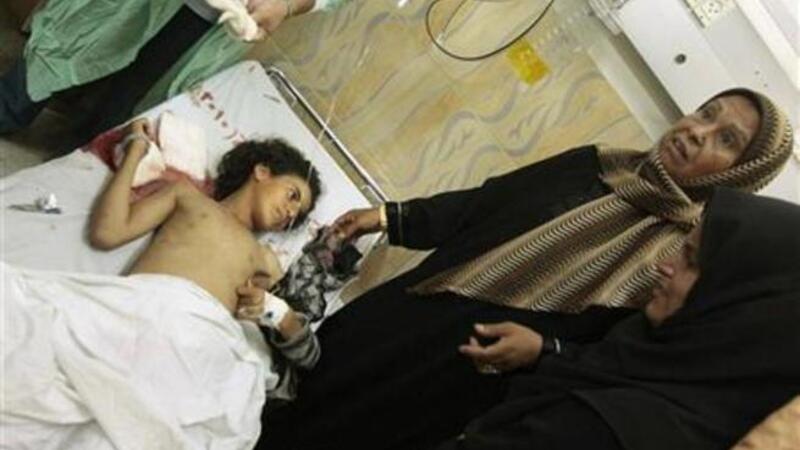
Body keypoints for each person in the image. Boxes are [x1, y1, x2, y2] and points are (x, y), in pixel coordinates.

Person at [258, 89, 794, 449]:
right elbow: (485, 204)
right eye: (705, 113)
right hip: (412, 309)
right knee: (297, 400)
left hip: (467, 378)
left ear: (744, 174)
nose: (698, 131)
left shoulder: (689, 262)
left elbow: (615, 364)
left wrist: (545, 349)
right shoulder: (598, 163)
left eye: (727, 140)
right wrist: (388, 217)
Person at [1, 119, 323, 448]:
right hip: (145, 313)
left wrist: (274, 311)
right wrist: (134, 152)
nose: (290, 212)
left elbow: (309, 356)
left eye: (297, 214)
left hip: (201, 346)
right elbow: (107, 232)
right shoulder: (189, 199)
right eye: (293, 195)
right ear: (262, 171)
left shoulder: (266, 261)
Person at [436, 187, 800, 450]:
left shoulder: (609, 427)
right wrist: (546, 350)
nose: (665, 265)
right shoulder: (678, 381)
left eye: (691, 262)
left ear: (741, 309)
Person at [0, 0, 349, 138]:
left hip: (212, 21)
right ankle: (9, 110)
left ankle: (65, 167)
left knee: (125, 107)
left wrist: (287, 4)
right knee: (69, 47)